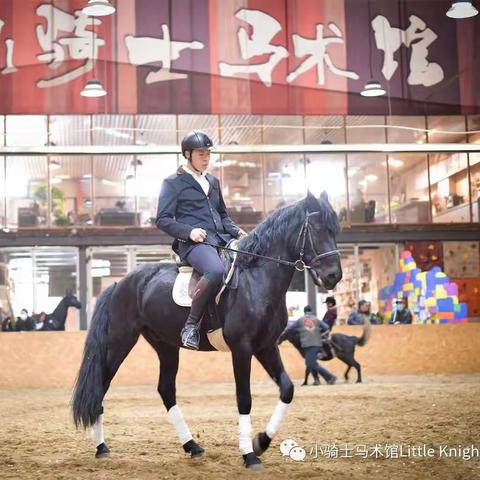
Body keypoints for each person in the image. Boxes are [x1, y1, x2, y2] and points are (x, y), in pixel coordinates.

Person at [156, 131, 246, 350]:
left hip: (221, 239)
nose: (206, 158)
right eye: (201, 153)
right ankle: (190, 327)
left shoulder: (213, 181)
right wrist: (189, 232)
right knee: (215, 271)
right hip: (195, 243)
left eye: (208, 153)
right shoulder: (172, 183)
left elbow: (223, 215)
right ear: (188, 154)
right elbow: (163, 219)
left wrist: (236, 231)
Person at [280, 306, 336, 385]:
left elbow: (290, 329)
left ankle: (330, 377)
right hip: (317, 344)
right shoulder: (316, 319)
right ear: (311, 311)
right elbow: (326, 327)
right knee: (311, 363)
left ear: (304, 311)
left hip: (308, 345)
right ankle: (321, 380)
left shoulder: (301, 320)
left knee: (311, 363)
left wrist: (282, 334)